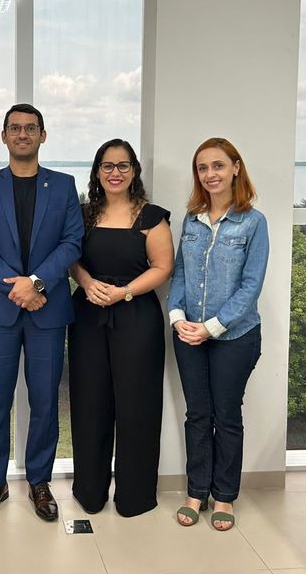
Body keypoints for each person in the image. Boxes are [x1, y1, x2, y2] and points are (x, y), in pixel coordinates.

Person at [0, 104, 84, 522]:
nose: (22, 134)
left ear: (43, 136)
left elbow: (72, 243)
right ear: (3, 137)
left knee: (45, 402)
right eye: (14, 128)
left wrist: (35, 283)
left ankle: (39, 483)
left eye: (30, 128)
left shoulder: (65, 186)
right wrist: (17, 286)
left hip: (47, 310)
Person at [167, 137, 268, 531]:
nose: (210, 174)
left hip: (235, 337)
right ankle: (197, 491)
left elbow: (251, 285)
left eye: (218, 166)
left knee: (226, 417)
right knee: (197, 415)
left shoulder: (253, 222)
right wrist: (178, 318)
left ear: (236, 168)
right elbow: (179, 274)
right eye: (203, 168)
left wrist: (211, 327)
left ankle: (224, 497)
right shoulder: (192, 219)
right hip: (188, 333)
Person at [68, 139, 173, 517]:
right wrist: (85, 282)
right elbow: (71, 259)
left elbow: (163, 268)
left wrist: (123, 292)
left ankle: (135, 497)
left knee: (137, 407)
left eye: (123, 166)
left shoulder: (152, 217)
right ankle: (90, 493)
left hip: (136, 317)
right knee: (90, 402)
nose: (115, 173)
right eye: (108, 166)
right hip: (88, 316)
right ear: (97, 172)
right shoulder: (81, 215)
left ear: (134, 172)